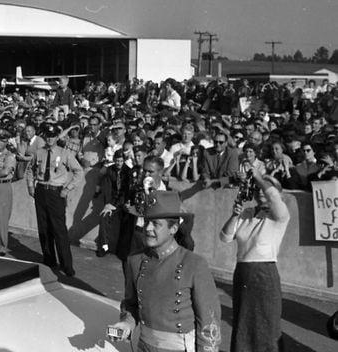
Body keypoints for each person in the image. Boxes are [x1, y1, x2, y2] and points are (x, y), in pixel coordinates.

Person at [107, 192, 221, 352]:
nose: (148, 228)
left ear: (173, 228)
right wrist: (127, 323)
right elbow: (131, 304)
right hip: (144, 347)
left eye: (156, 224)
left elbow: (209, 321)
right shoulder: (135, 260)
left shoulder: (194, 264)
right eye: (146, 222)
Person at [220, 167, 289, 352]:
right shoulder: (246, 213)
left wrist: (258, 177)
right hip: (242, 275)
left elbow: (274, 197)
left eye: (263, 188)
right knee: (243, 323)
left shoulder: (280, 216)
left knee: (267, 324)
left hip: (265, 276)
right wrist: (235, 215)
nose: (260, 192)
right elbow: (225, 237)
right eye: (256, 188)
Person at [26, 123, 83, 276]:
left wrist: (67, 188)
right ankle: (49, 260)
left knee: (59, 230)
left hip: (56, 192)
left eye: (53, 136)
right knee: (44, 229)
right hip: (41, 191)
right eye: (47, 136)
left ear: (57, 137)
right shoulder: (38, 152)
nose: (50, 139)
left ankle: (66, 265)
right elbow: (30, 170)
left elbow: (79, 171)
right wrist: (31, 186)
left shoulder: (64, 153)